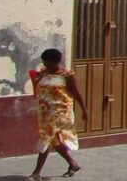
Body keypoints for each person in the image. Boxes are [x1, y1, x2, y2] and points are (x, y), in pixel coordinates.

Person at [29, 48, 87, 180]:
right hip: (45, 111)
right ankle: (73, 164)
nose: (46, 66)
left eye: (49, 64)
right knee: (54, 139)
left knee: (46, 137)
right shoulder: (43, 73)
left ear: (57, 62)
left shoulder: (67, 75)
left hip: (61, 111)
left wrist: (84, 110)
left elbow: (76, 93)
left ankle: (36, 173)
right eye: (44, 63)